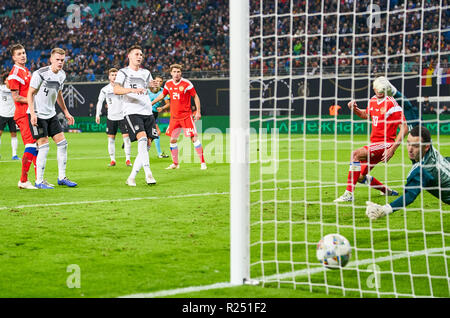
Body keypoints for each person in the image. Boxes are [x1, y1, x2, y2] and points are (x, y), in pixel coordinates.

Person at [334, 76, 408, 202]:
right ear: (374, 88)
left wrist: (393, 149)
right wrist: (355, 109)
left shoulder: (391, 103)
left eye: (382, 89)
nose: (380, 91)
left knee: (355, 154)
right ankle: (387, 191)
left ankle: (348, 194)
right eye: (378, 89)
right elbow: (366, 115)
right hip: (375, 144)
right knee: (360, 176)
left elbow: (404, 128)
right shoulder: (372, 100)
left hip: (385, 144)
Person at [366, 126, 450, 220]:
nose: (410, 149)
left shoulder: (423, 170)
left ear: (426, 147)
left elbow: (410, 195)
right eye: (408, 143)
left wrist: (384, 210)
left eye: (415, 145)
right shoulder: (429, 151)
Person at [27, 47, 77, 189]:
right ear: (51, 59)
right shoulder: (40, 74)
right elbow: (30, 94)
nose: (60, 62)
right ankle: (39, 181)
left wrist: (66, 112)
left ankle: (62, 177)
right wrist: (32, 113)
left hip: (50, 114)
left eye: (62, 60)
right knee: (44, 147)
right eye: (57, 60)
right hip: (38, 114)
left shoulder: (61, 75)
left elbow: (59, 94)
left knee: (63, 144)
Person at [113, 44, 158, 186]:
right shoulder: (123, 72)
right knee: (143, 140)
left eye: (141, 55)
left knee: (148, 145)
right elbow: (116, 90)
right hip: (132, 111)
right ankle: (148, 174)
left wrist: (154, 85)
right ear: (129, 56)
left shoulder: (146, 73)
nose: (140, 57)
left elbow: (152, 88)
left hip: (147, 111)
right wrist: (131, 91)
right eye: (137, 54)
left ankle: (132, 177)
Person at [150, 64, 206, 170]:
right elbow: (162, 95)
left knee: (194, 138)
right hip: (174, 118)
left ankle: (202, 162)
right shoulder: (168, 84)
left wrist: (198, 111)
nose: (176, 74)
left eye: (178, 72)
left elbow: (195, 96)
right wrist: (151, 103)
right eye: (174, 72)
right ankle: (175, 164)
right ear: (171, 73)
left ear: (181, 73)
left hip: (186, 116)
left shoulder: (186, 84)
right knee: (172, 140)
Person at [7, 44, 38, 189]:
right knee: (31, 145)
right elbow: (16, 97)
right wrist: (31, 100)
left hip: (30, 112)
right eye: (19, 54)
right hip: (22, 114)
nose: (23, 55)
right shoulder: (15, 73)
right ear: (13, 57)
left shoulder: (26, 70)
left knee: (38, 145)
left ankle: (39, 179)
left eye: (24, 52)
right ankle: (23, 180)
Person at [95, 68, 132, 167]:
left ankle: (128, 159)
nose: (114, 77)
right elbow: (100, 102)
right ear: (109, 77)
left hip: (123, 116)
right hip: (111, 117)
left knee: (126, 139)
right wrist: (97, 114)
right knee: (111, 139)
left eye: (116, 75)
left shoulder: (123, 88)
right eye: (112, 75)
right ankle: (112, 160)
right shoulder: (105, 89)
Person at [147, 75, 170, 159]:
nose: (158, 83)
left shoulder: (163, 91)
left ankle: (146, 150)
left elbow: (168, 103)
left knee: (151, 134)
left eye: (160, 81)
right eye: (156, 81)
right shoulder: (148, 89)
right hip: (147, 112)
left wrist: (162, 108)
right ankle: (158, 153)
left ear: (162, 83)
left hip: (155, 113)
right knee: (157, 132)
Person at [0, 72, 19, 160]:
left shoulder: (15, 90)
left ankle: (14, 155)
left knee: (14, 134)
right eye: (8, 80)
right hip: (2, 114)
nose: (10, 81)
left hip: (12, 115)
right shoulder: (1, 89)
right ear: (4, 81)